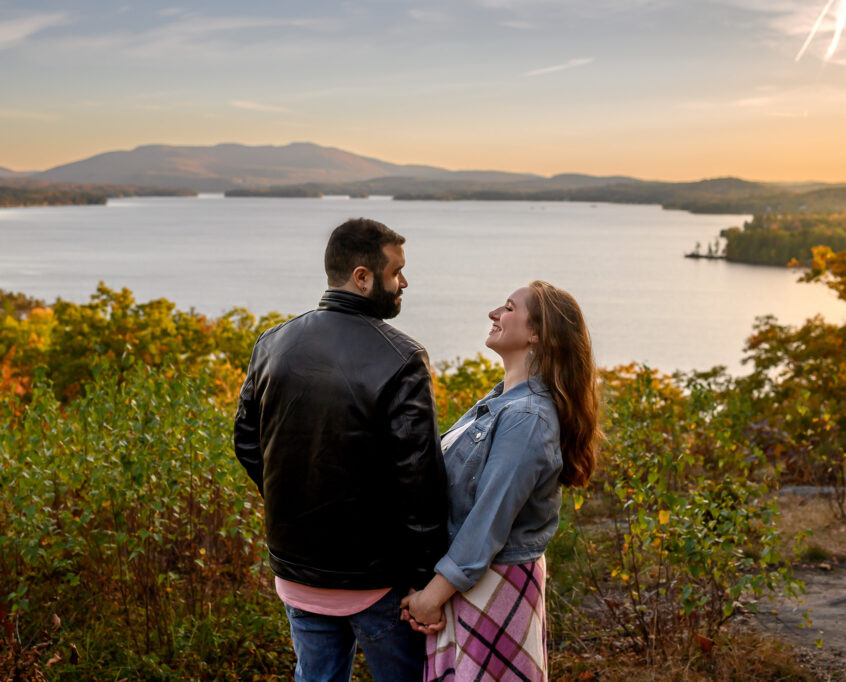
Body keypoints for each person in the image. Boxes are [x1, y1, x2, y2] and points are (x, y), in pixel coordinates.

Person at [234, 217, 448, 682]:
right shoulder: (403, 359)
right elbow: (420, 484)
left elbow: (247, 442)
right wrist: (426, 579)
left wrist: (295, 500)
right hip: (376, 580)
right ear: (362, 277)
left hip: (296, 572)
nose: (404, 282)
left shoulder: (272, 343)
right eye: (396, 272)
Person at [401, 281, 600, 682]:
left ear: (536, 334)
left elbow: (488, 520)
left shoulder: (527, 418)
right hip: (470, 583)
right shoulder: (499, 402)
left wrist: (431, 597)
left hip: (491, 585)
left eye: (508, 308)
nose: (494, 313)